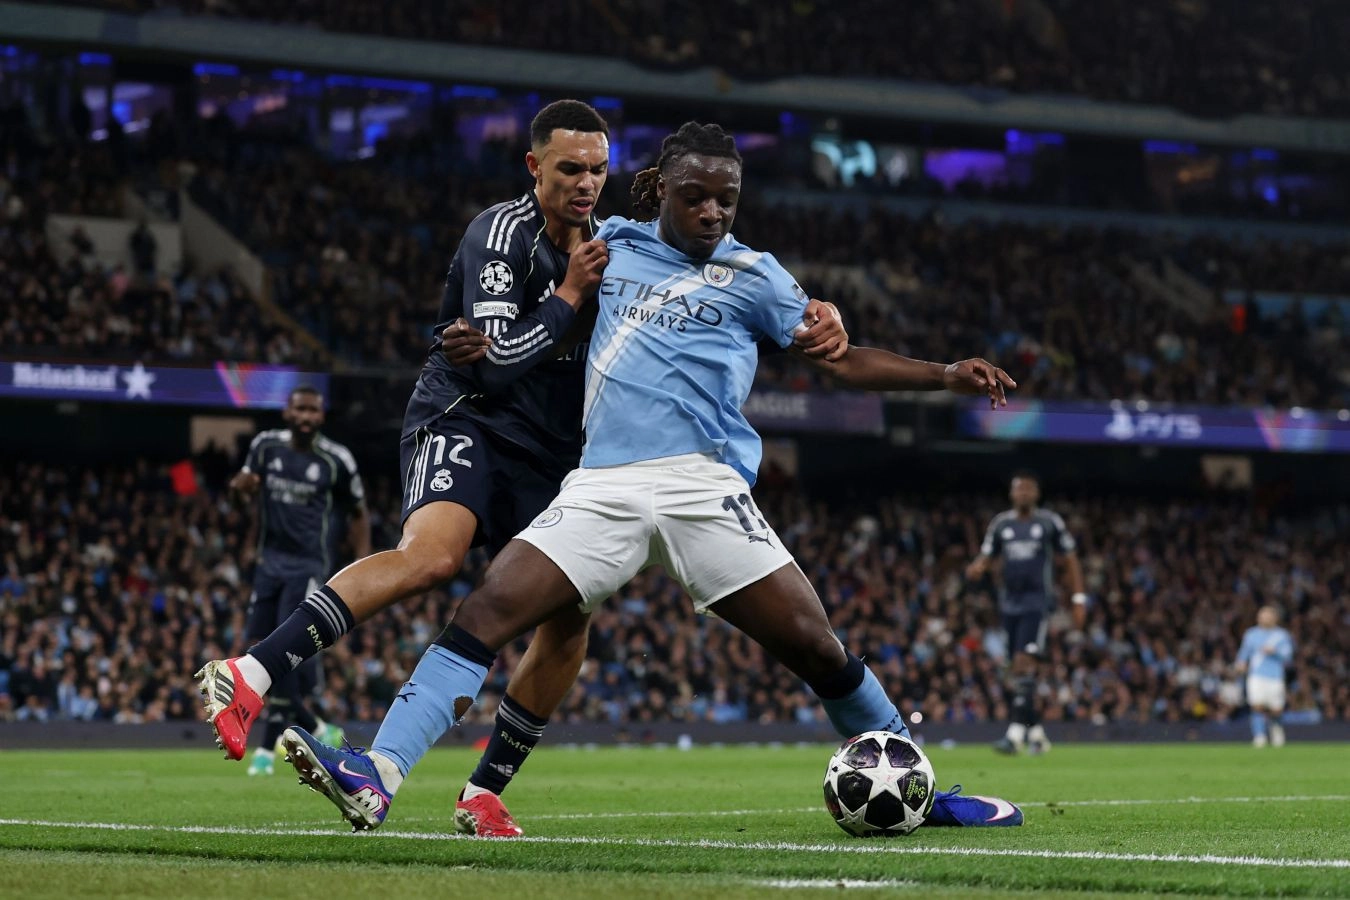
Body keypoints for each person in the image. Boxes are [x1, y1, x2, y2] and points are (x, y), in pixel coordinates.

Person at [279, 121, 1025, 833]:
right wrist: (467, 332)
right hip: (604, 483)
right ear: (660, 189)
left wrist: (943, 374)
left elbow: (843, 359)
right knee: (488, 610)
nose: (712, 212)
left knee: (816, 647)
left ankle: (921, 792)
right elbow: (532, 288)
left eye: (726, 200)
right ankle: (378, 773)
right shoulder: (610, 246)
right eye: (695, 197)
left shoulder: (758, 276)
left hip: (705, 487)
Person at [195, 100, 847, 790]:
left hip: (551, 448)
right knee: (432, 557)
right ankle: (251, 672)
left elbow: (713, 297)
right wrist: (568, 294)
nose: (586, 183)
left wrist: (817, 311)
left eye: (597, 169)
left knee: (569, 620)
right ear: (534, 167)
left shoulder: (617, 245)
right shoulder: (502, 233)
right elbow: (495, 366)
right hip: (469, 417)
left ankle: (484, 792)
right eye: (569, 169)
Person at [224, 386, 370, 774]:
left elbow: (359, 511)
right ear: (287, 413)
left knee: (281, 654)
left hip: (307, 566)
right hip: (268, 564)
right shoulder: (265, 446)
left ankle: (265, 752)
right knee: (259, 650)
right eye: (300, 409)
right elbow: (241, 494)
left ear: (321, 416)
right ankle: (316, 726)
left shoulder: (336, 459)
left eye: (313, 410)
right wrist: (237, 493)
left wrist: (363, 564)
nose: (306, 417)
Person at [965, 472, 1085, 755]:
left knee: (1024, 662)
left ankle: (1015, 736)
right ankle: (1038, 735)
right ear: (1011, 493)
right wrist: (978, 566)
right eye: (1019, 488)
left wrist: (1079, 598)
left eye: (1028, 488)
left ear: (1037, 493)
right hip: (1009, 605)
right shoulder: (1001, 524)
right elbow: (987, 554)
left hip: (1036, 603)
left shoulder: (1049, 522)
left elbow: (1070, 558)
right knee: (1016, 671)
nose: (1023, 493)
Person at [1235, 606, 1294, 748]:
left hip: (1275, 676)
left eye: (1267, 616)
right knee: (1257, 706)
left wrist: (1275, 651)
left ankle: (1276, 729)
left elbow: (1288, 656)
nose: (1264, 618)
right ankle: (1259, 736)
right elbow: (1244, 652)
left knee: (1276, 709)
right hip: (1256, 675)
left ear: (1274, 618)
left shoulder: (1282, 635)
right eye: (1262, 616)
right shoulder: (1251, 634)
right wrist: (1241, 663)